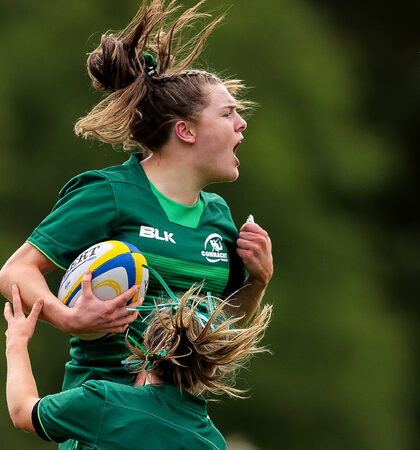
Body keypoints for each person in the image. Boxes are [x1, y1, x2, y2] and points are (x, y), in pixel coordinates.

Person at [0, 0, 273, 391]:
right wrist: (68, 317)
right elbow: (15, 271)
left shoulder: (218, 217)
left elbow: (218, 331)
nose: (242, 123)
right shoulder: (110, 193)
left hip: (179, 419)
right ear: (186, 131)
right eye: (228, 113)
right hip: (103, 417)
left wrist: (258, 282)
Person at [5, 279, 272, 449]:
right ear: (213, 367)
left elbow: (21, 412)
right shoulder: (211, 443)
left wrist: (17, 340)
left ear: (148, 352)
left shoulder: (102, 401)